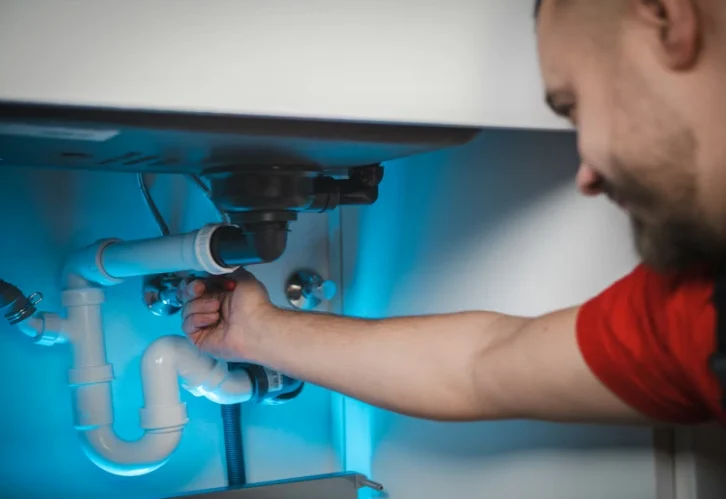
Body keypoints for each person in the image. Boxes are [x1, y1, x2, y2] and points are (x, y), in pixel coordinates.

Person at [179, 0, 726, 426]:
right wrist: (260, 331)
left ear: (663, 18)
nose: (587, 176)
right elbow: (479, 367)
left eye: (577, 104)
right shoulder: (693, 314)